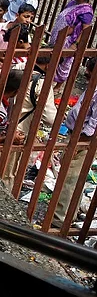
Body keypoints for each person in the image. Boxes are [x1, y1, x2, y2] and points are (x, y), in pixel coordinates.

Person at [2, 55, 57, 190]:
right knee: (7, 174)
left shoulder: (18, 67)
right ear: (49, 66)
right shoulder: (42, 83)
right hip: (18, 133)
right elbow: (50, 118)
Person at [53, 58, 97, 226]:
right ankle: (70, 212)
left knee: (69, 178)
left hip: (83, 139)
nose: (85, 77)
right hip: (77, 135)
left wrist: (77, 146)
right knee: (75, 178)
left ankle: (59, 219)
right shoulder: (92, 88)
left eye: (89, 74)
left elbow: (93, 125)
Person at [51, 0, 96, 88]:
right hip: (59, 36)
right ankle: (49, 80)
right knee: (53, 58)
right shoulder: (73, 3)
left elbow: (85, 30)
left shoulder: (86, 12)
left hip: (69, 40)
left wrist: (75, 44)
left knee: (63, 62)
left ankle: (58, 86)